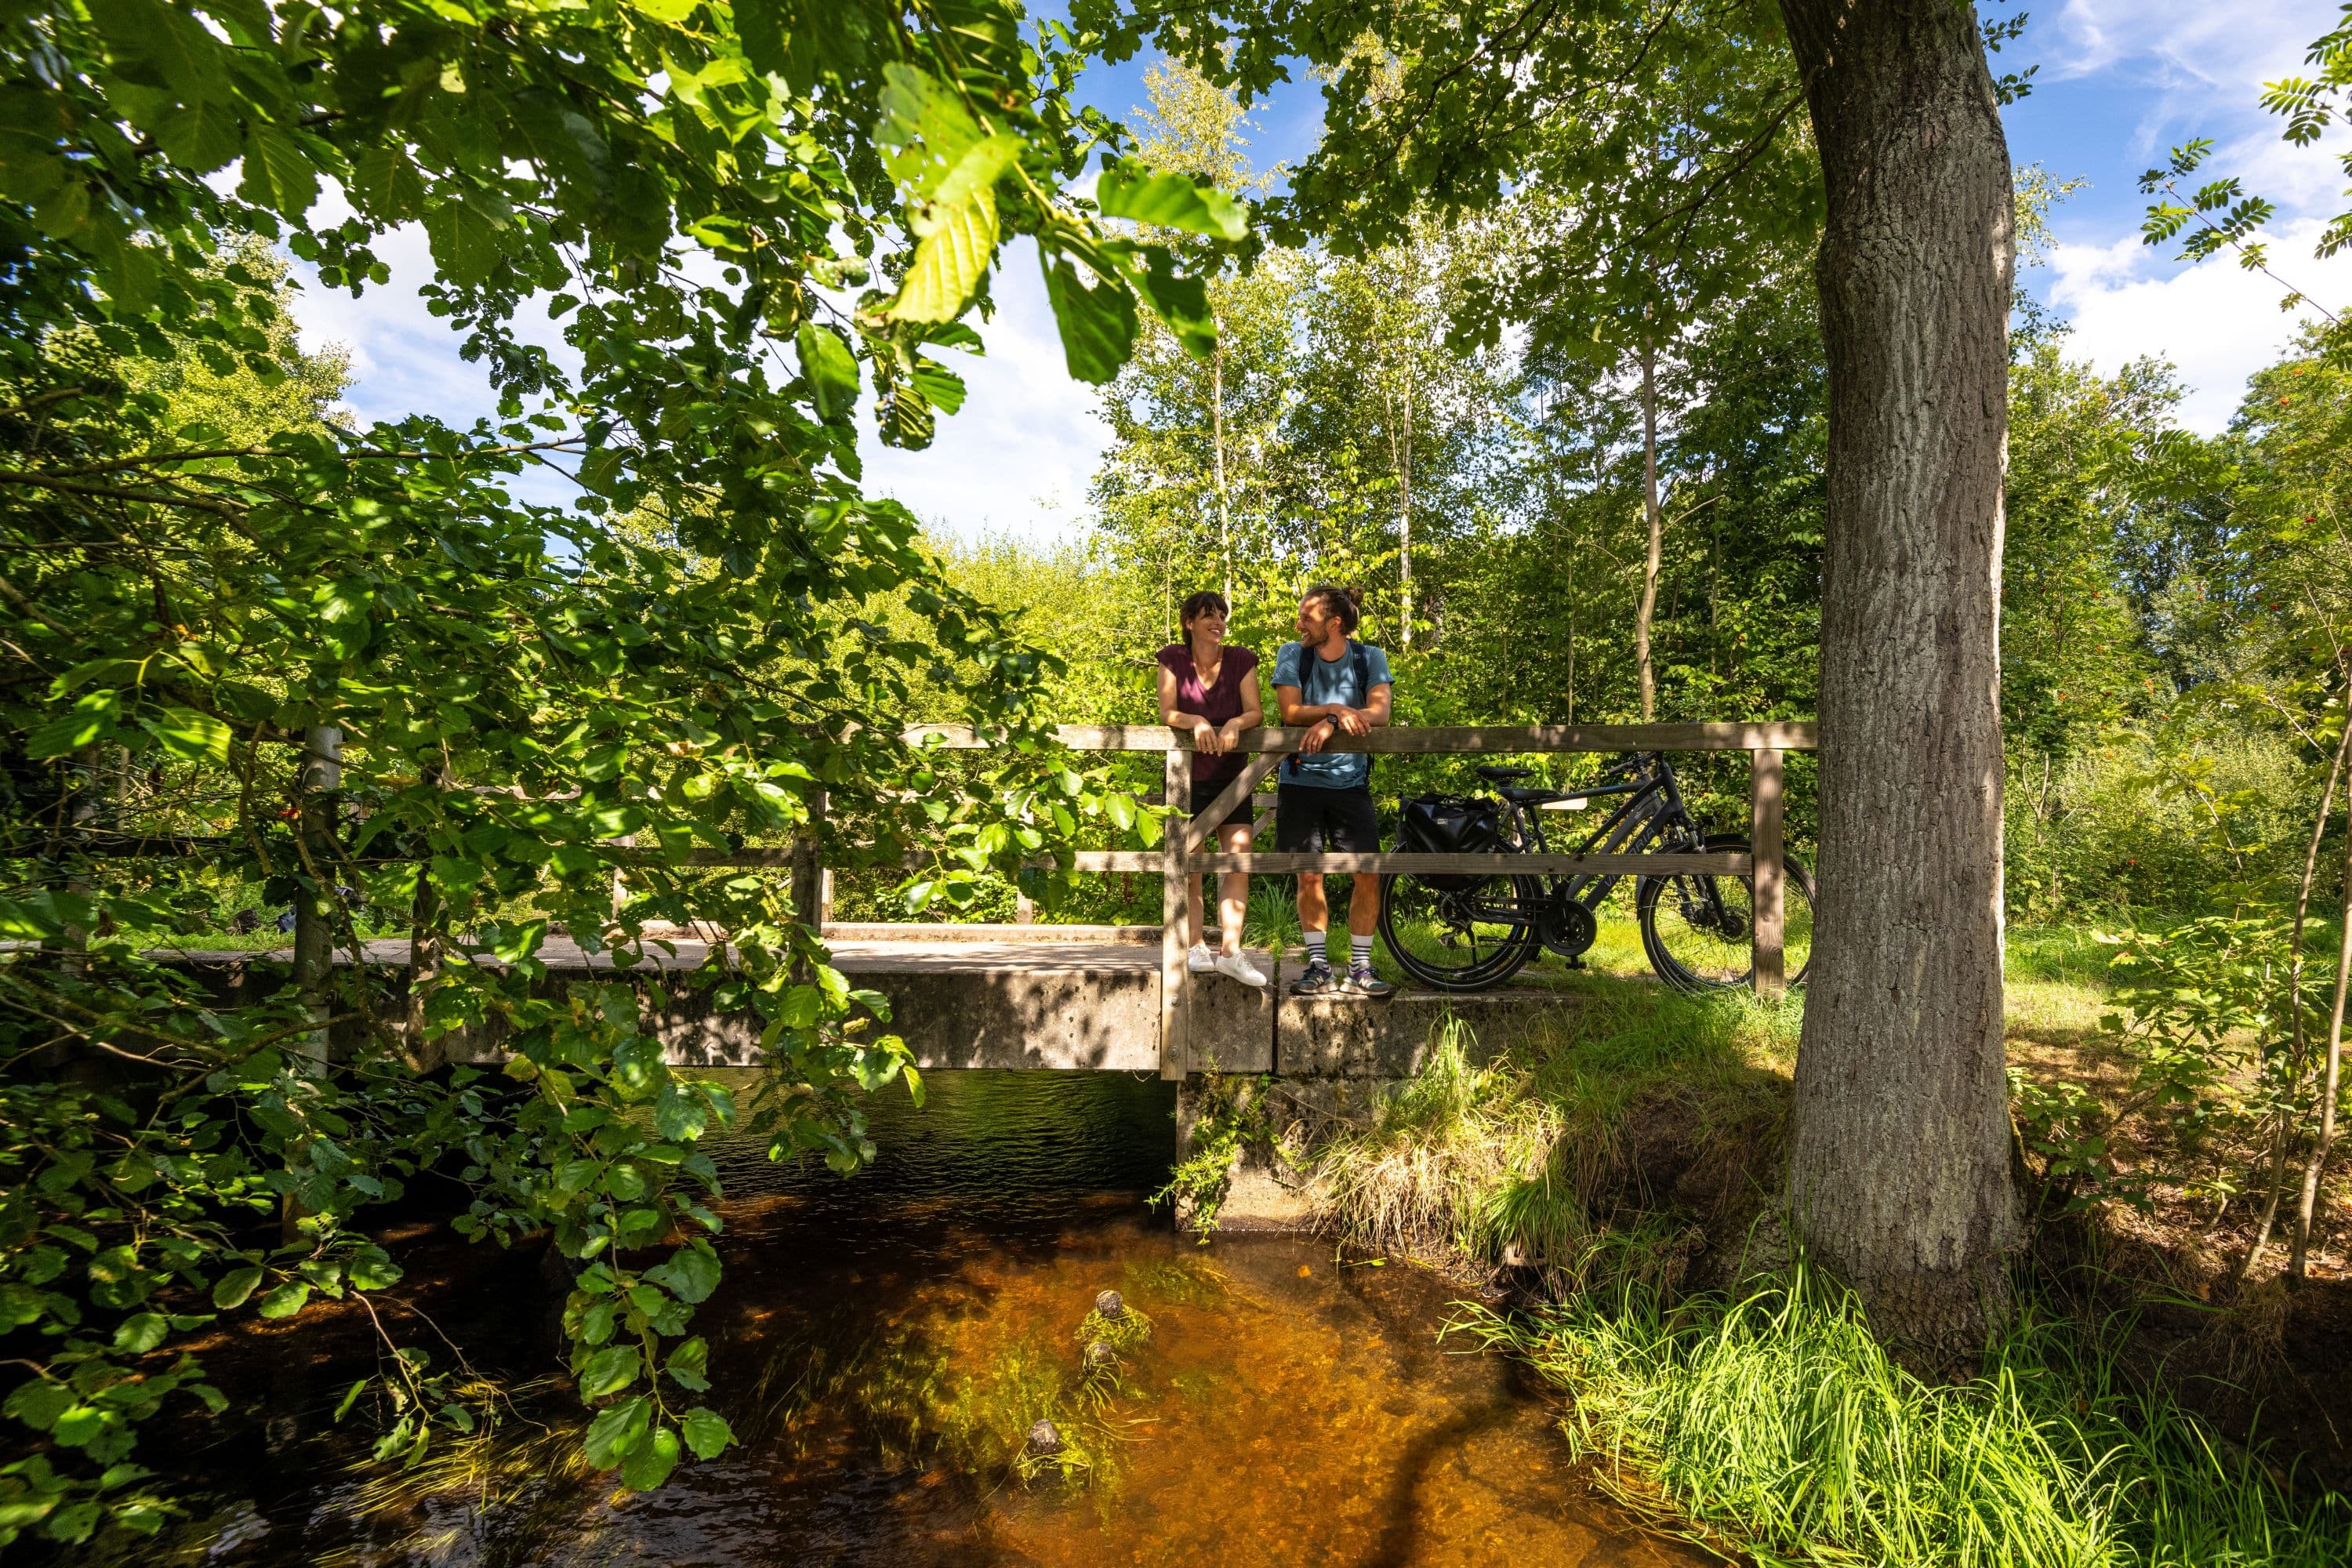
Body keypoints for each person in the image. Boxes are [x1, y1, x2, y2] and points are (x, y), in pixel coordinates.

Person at [1272, 584, 1396, 997]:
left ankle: (1360, 966)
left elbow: (1380, 712)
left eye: (1307, 617)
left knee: (1367, 873)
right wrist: (1337, 710)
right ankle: (1318, 966)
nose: (1298, 624)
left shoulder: (1368, 657)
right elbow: (1289, 712)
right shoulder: (1293, 654)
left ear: (1335, 622)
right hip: (1299, 782)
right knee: (1309, 875)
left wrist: (1332, 720)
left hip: (1351, 782)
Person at [1156, 590, 1269, 987]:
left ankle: (1232, 952)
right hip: (1186, 781)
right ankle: (1195, 947)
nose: (1218, 621)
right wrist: (1196, 721)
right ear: (1190, 623)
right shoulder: (1173, 657)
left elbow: (1256, 711)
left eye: (1221, 615)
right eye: (1208, 615)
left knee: (1238, 861)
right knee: (1191, 869)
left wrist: (1237, 724)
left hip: (1233, 778)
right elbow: (1167, 711)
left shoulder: (1241, 659)